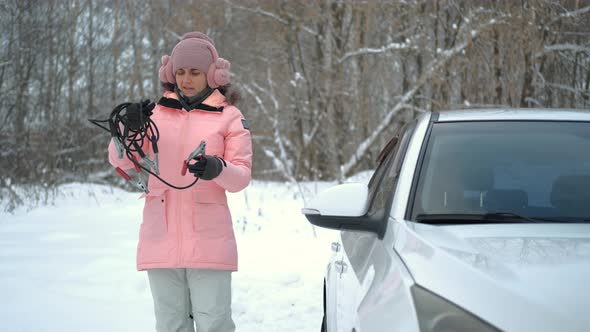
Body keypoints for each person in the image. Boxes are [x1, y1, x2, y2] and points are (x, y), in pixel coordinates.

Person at [107, 31, 252, 332]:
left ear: (213, 75)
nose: (186, 79)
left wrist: (217, 168)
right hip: (160, 238)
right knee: (170, 323)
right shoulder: (154, 115)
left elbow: (240, 177)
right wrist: (128, 129)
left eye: (195, 72)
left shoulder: (230, 117)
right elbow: (122, 162)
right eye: (181, 71)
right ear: (171, 73)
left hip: (209, 241)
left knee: (214, 322)